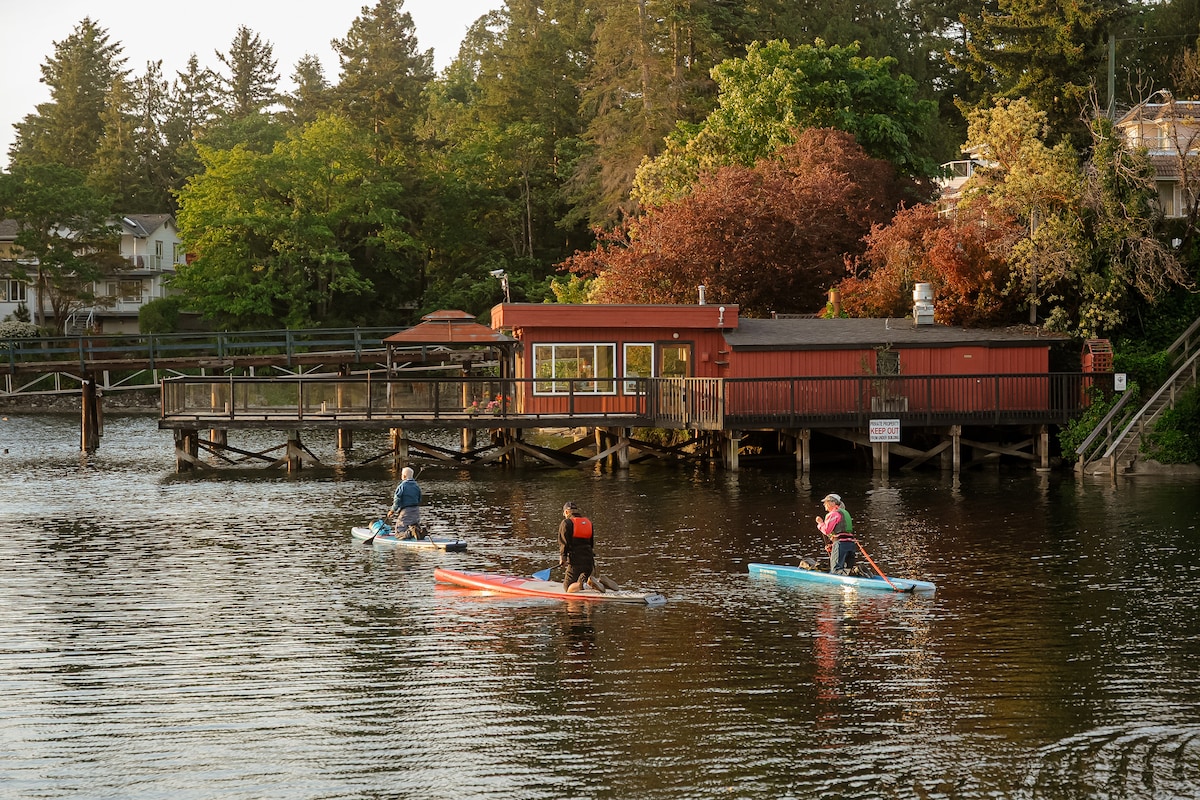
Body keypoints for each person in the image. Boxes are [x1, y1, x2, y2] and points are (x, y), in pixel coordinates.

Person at [558, 501, 600, 593]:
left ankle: (588, 585)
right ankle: (600, 582)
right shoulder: (588, 522)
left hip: (576, 562)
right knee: (581, 579)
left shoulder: (566, 523)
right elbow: (591, 544)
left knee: (568, 587)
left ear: (566, 512)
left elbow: (563, 543)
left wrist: (563, 558)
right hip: (589, 561)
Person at [815, 493, 856, 573]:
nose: (824, 504)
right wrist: (831, 544)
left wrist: (820, 523)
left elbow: (827, 531)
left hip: (841, 545)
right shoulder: (845, 513)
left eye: (826, 502)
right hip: (851, 544)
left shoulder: (833, 514)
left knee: (836, 570)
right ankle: (856, 572)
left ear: (833, 503)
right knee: (849, 569)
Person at [386, 466, 422, 538]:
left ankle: (412, 533)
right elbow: (419, 499)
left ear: (404, 476)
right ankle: (418, 532)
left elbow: (397, 500)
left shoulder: (402, 486)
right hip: (416, 510)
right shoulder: (416, 486)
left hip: (406, 511)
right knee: (412, 526)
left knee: (399, 532)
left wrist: (392, 511)